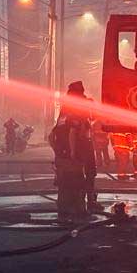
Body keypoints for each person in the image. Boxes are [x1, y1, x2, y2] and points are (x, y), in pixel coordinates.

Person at [51, 83, 95, 218]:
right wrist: (73, 152)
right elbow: (73, 133)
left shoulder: (63, 114)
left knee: (64, 183)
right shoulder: (77, 113)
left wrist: (58, 152)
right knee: (79, 181)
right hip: (76, 153)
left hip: (62, 155)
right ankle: (80, 209)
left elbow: (51, 136)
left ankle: (64, 210)